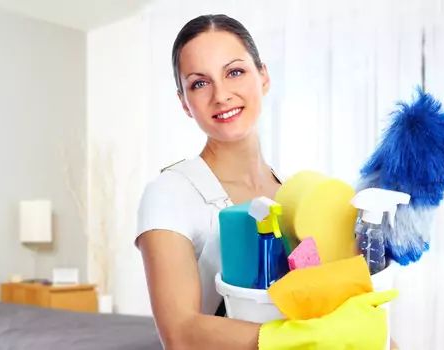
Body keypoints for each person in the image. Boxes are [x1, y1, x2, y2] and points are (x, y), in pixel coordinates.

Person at [135, 14, 398, 350]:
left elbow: (338, 299)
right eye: (200, 83)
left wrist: (380, 337)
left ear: (263, 77)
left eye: (234, 72)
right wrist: (301, 340)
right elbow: (180, 334)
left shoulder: (296, 192)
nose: (221, 95)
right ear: (184, 103)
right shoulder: (169, 193)